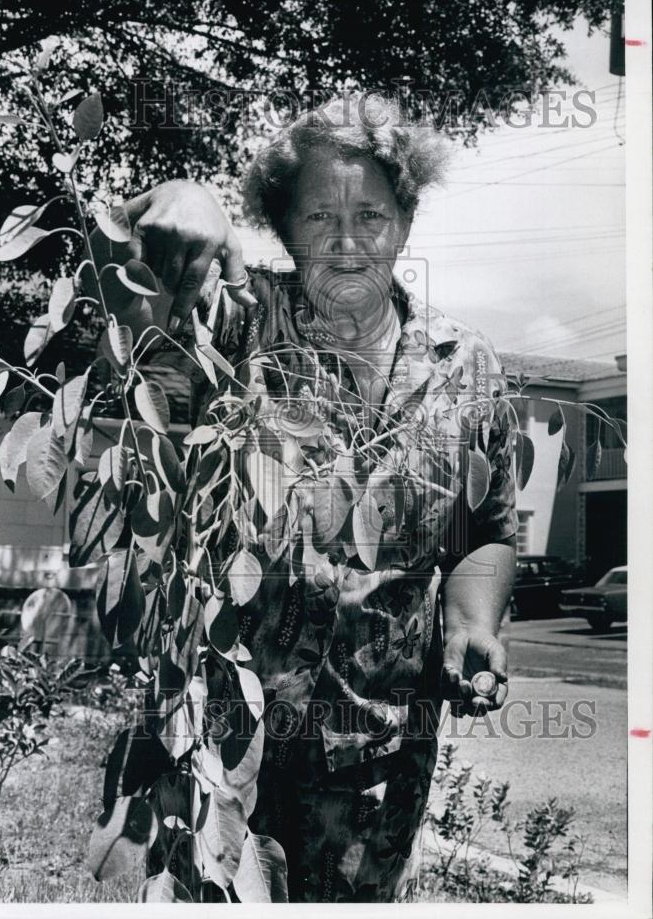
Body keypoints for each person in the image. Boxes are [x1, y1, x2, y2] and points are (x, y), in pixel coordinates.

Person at [95, 94, 517, 902]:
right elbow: (134, 300)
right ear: (282, 228)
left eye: (372, 213)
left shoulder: (468, 366)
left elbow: (484, 530)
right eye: (319, 215)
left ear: (407, 217)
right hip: (219, 758)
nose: (349, 240)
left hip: (380, 772)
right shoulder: (235, 329)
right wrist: (183, 195)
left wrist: (471, 622)